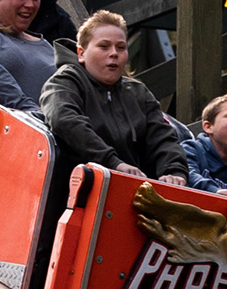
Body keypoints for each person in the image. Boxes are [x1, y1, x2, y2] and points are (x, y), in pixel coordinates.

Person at [41, 13, 188, 182]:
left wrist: (174, 171)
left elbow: (162, 136)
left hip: (135, 187)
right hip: (81, 184)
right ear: (81, 53)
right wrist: (113, 163)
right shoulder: (65, 82)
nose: (114, 53)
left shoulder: (137, 92)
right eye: (104, 46)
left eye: (120, 47)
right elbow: (64, 120)